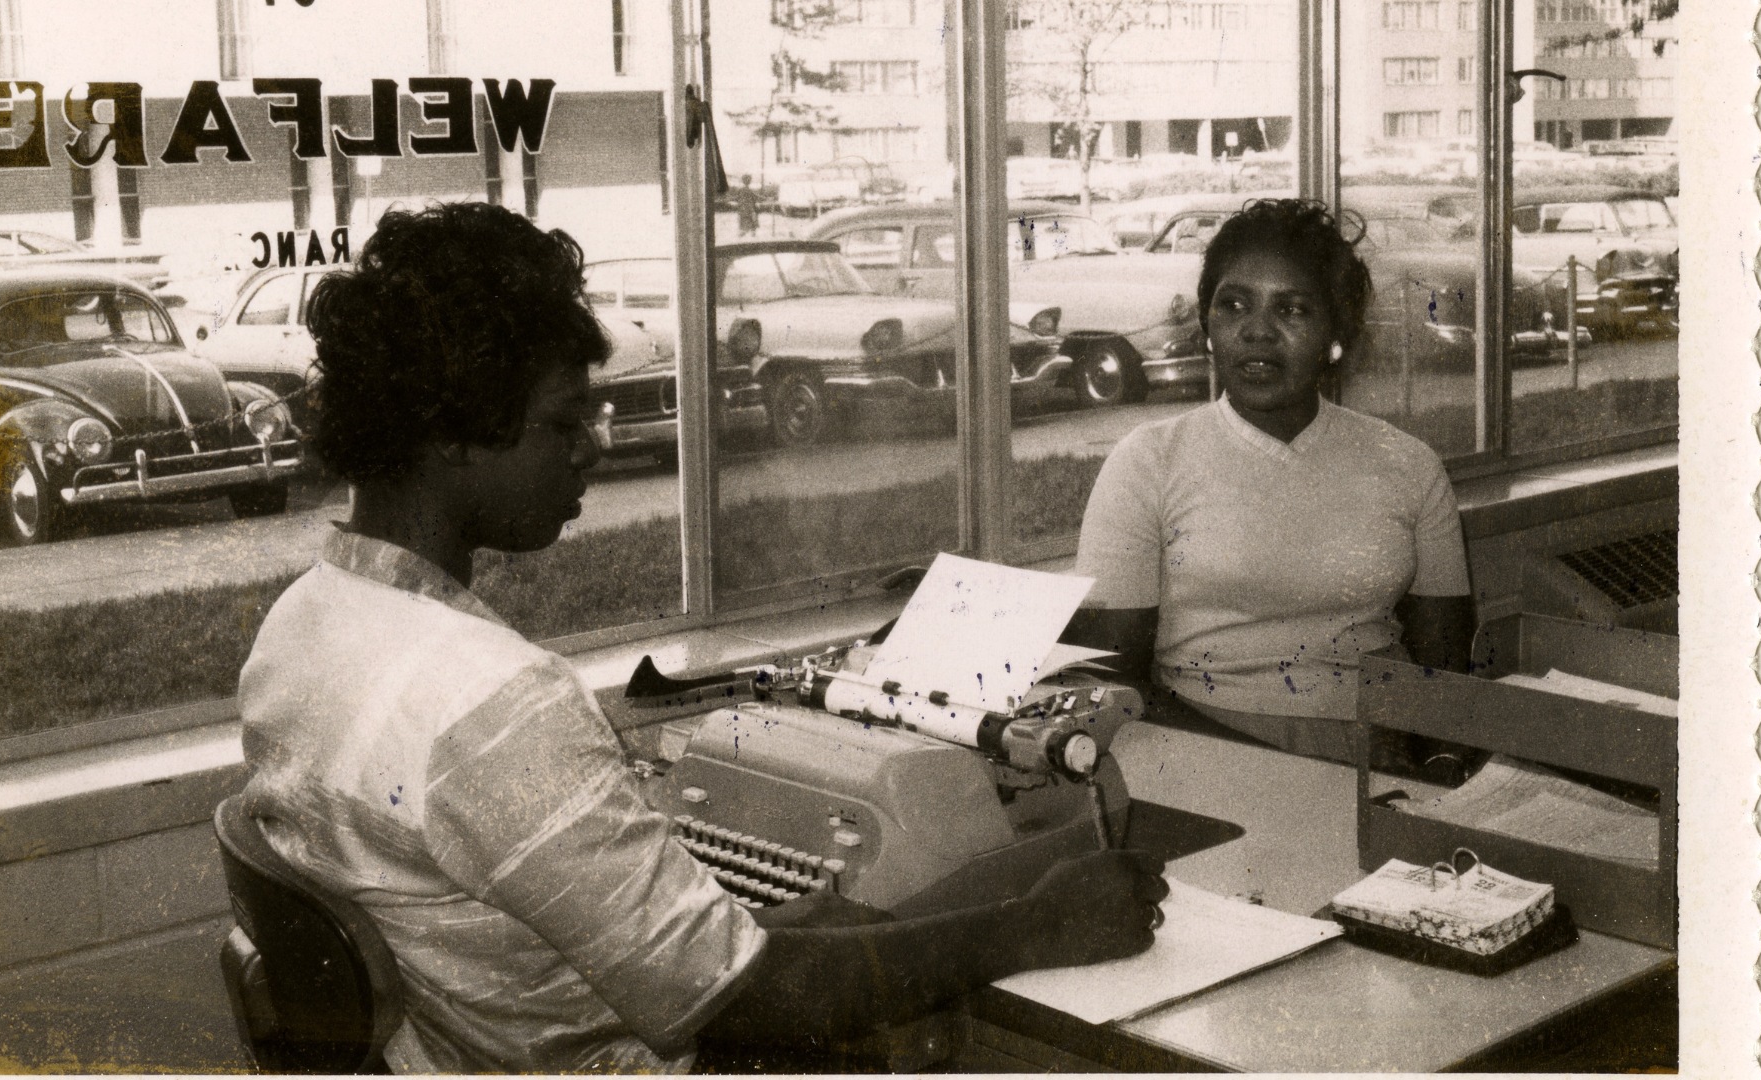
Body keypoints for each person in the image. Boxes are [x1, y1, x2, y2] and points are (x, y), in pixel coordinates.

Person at [236, 202, 1167, 1074]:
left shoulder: (300, 625)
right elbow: (756, 1002)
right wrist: (1034, 926)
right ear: (449, 435)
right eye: (563, 421)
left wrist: (765, 935)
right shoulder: (492, 703)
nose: (593, 448)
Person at [1067, 198, 1475, 765]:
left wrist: (1443, 775)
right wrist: (1282, 768)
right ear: (1207, 324)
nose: (1257, 332)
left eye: (1292, 310)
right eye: (1233, 305)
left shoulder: (1408, 464)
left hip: (1377, 752)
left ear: (1337, 332)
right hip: (1200, 751)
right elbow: (1114, 681)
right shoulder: (1147, 463)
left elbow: (1445, 665)